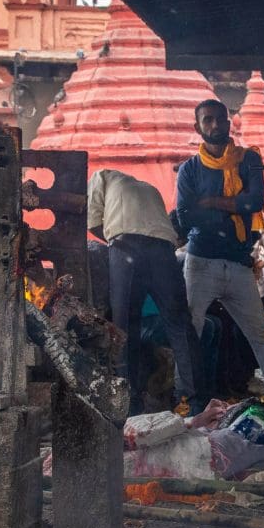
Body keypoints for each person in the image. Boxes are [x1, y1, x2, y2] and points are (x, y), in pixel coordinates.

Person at [176, 99, 264, 404]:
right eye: (208, 120)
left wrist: (210, 202)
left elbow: (255, 202)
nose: (215, 125)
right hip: (200, 262)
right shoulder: (189, 169)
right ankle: (183, 402)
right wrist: (232, 206)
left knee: (260, 336)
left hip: (239, 264)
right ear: (197, 127)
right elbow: (186, 216)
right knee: (191, 334)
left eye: (220, 119)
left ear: (229, 123)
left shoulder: (248, 159)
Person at [88, 169, 204, 415]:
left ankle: (130, 406)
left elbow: (94, 222)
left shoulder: (102, 175)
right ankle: (195, 402)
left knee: (124, 327)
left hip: (126, 245)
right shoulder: (151, 189)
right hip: (163, 250)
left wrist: (115, 243)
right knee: (180, 325)